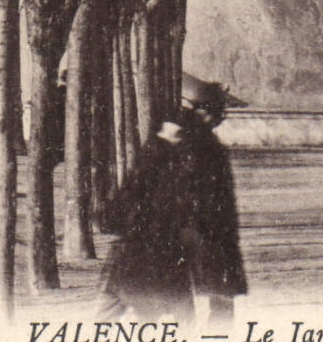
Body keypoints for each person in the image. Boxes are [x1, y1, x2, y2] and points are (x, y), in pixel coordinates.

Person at [98, 75, 247, 325]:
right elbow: (213, 209)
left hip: (151, 246)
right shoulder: (202, 149)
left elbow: (134, 187)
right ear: (208, 113)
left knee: (128, 307)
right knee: (175, 313)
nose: (219, 119)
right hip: (165, 245)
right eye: (218, 113)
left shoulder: (166, 139)